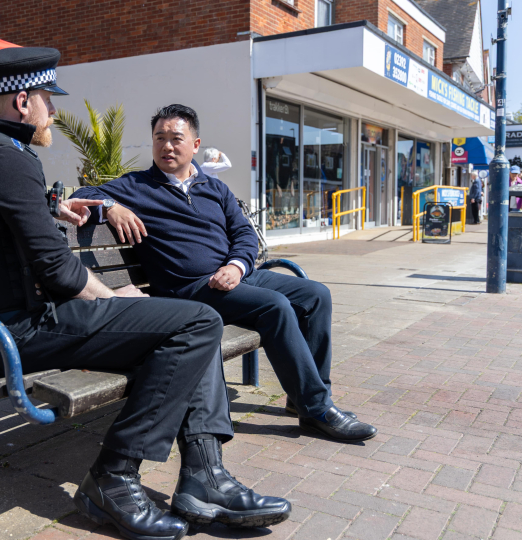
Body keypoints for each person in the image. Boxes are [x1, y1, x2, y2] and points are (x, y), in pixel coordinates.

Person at [0, 50, 291, 540]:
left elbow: (0, 219)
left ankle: (204, 477)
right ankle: (115, 477)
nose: (53, 113)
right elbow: (57, 268)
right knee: (197, 323)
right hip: (20, 331)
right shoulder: (8, 161)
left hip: (0, 322)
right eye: (47, 101)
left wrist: (55, 206)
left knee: (189, 321)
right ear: (22, 102)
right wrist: (113, 299)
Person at [71, 104, 377, 443]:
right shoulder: (136, 186)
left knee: (316, 294)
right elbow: (80, 195)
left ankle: (304, 398)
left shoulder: (213, 188)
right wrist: (112, 206)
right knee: (273, 306)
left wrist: (236, 266)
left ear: (196, 144)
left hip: (235, 275)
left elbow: (244, 234)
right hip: (188, 289)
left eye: (176, 138)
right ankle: (317, 409)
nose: (167, 146)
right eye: (159, 138)